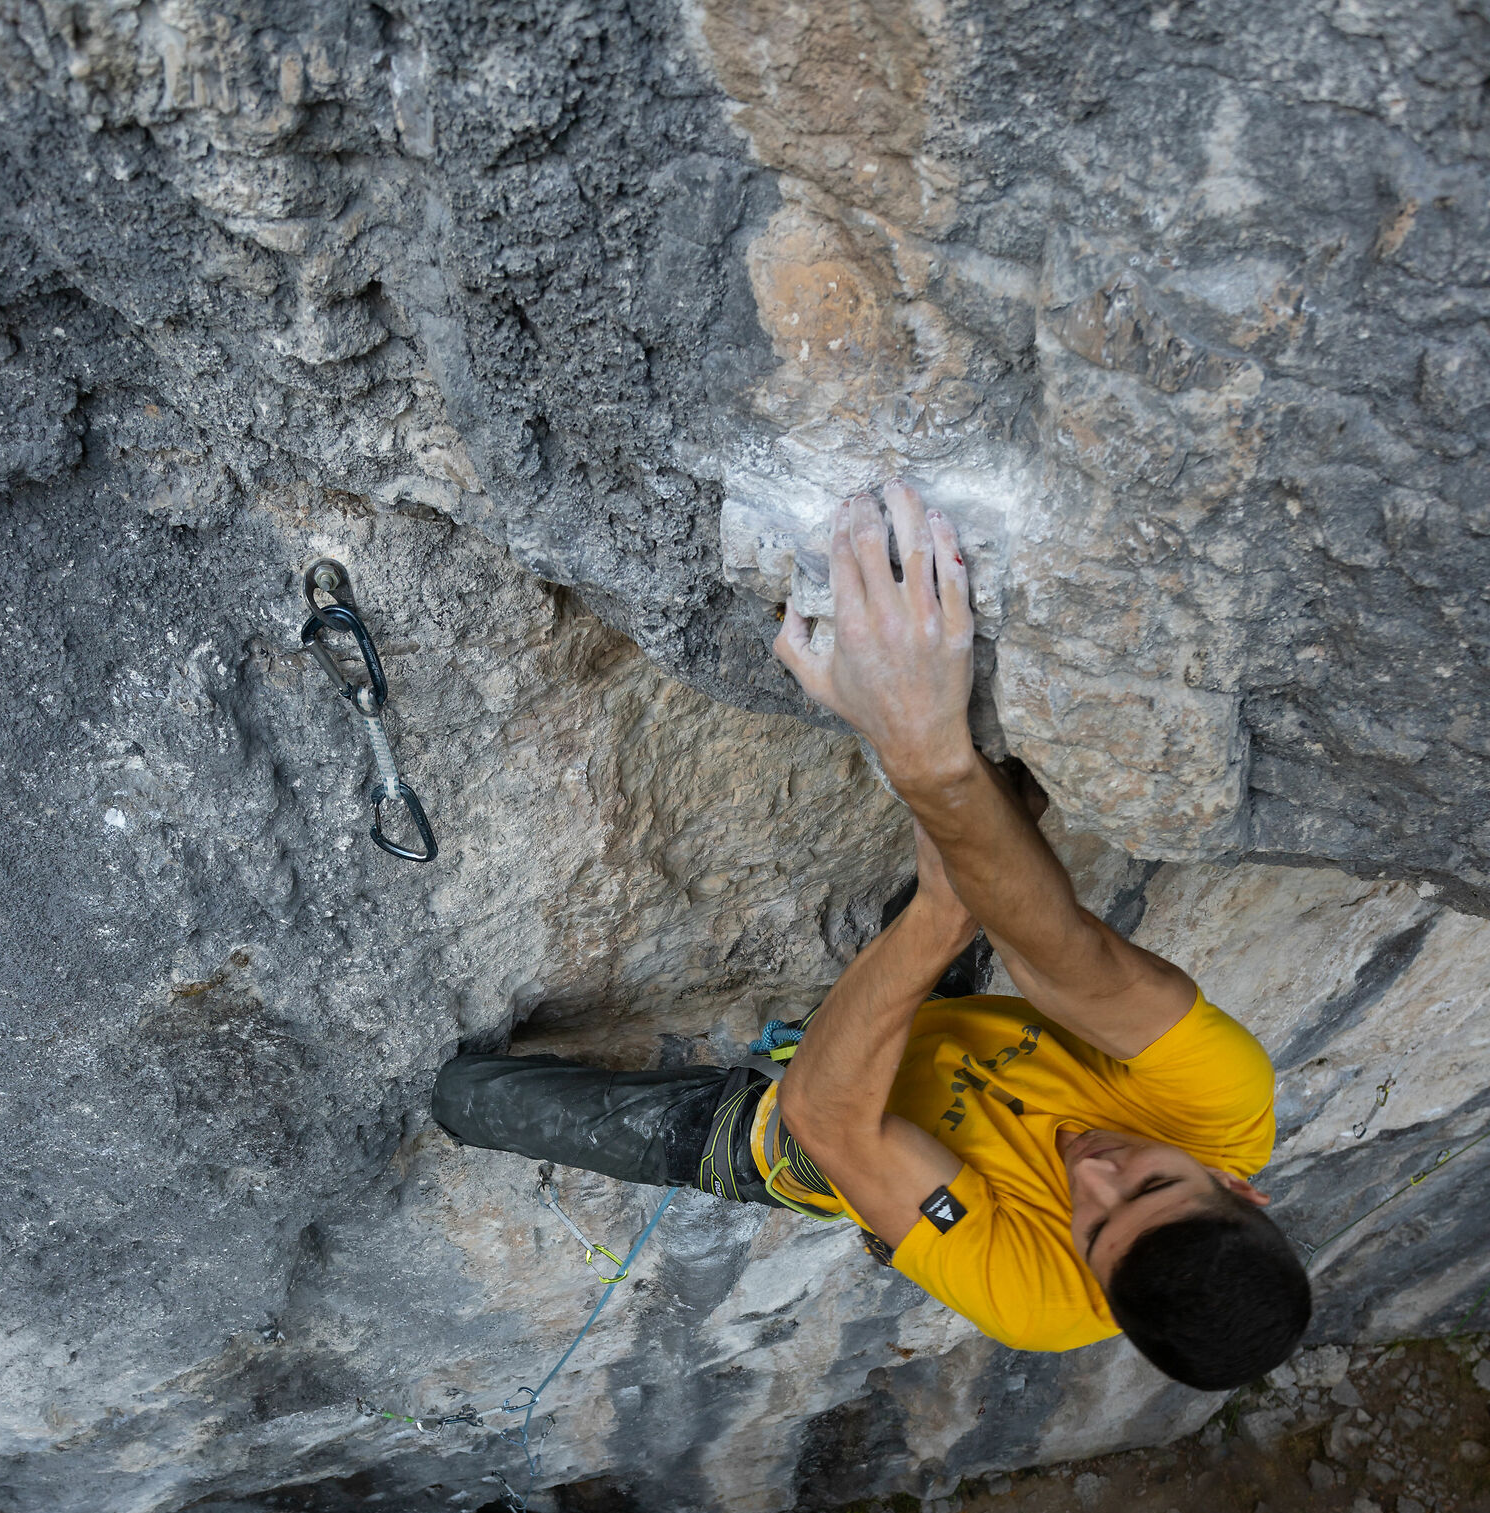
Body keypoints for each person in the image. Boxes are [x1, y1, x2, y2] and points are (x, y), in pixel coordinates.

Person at [433, 480, 1311, 1390]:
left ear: (1093, 1280)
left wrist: (940, 903)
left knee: (464, 1096)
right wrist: (930, 747)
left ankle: (931, 935)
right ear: (1238, 1184)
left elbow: (831, 1117)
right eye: (1151, 1183)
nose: (1094, 1172)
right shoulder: (1221, 1103)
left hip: (791, 1134)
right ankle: (938, 927)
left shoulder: (1037, 1300)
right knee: (1003, 837)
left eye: (1094, 1226)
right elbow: (1063, 957)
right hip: (940, 1031)